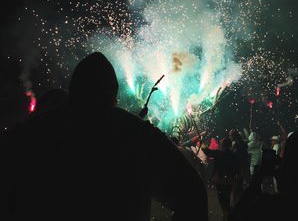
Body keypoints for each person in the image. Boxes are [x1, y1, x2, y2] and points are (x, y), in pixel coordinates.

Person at [0, 52, 208, 221]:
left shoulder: (34, 131)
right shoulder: (136, 133)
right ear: (113, 95)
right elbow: (193, 194)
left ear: (73, 90)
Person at [202, 138, 240, 221]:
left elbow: (208, 152)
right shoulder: (233, 154)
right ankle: (227, 213)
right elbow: (237, 167)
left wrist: (202, 145)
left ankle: (226, 213)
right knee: (227, 196)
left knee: (221, 197)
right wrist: (237, 178)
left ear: (223, 145)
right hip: (230, 179)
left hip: (220, 179)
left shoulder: (219, 153)